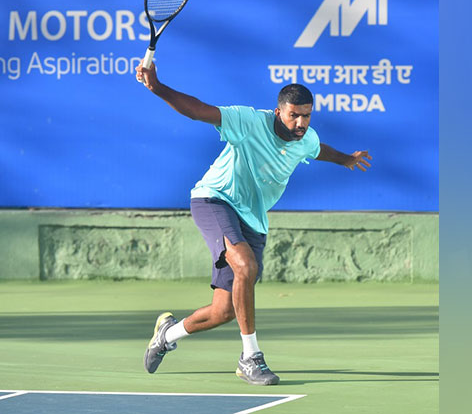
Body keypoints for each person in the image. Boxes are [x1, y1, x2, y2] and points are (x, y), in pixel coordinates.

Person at [135, 61, 372, 386]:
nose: (301, 122)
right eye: (294, 115)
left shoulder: (306, 138)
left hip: (253, 218)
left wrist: (346, 159)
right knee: (245, 265)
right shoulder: (248, 121)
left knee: (225, 311)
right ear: (278, 112)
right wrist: (158, 87)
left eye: (307, 115)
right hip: (214, 199)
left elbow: (318, 150)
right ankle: (250, 358)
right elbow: (199, 111)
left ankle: (167, 334)